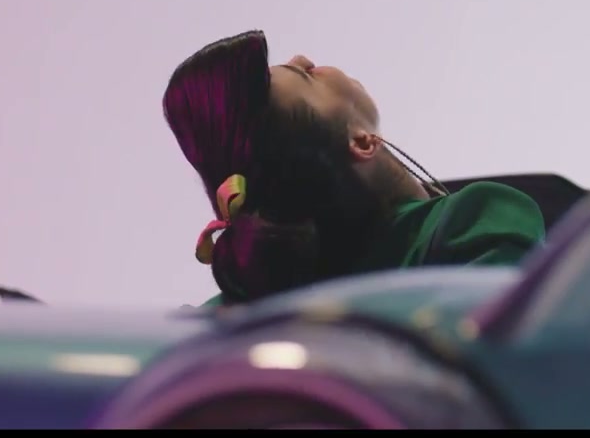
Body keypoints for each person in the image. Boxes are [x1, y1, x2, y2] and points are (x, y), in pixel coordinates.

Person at [162, 30, 545, 308]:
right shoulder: (475, 223)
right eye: (306, 77)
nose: (302, 58)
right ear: (362, 142)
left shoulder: (217, 325)